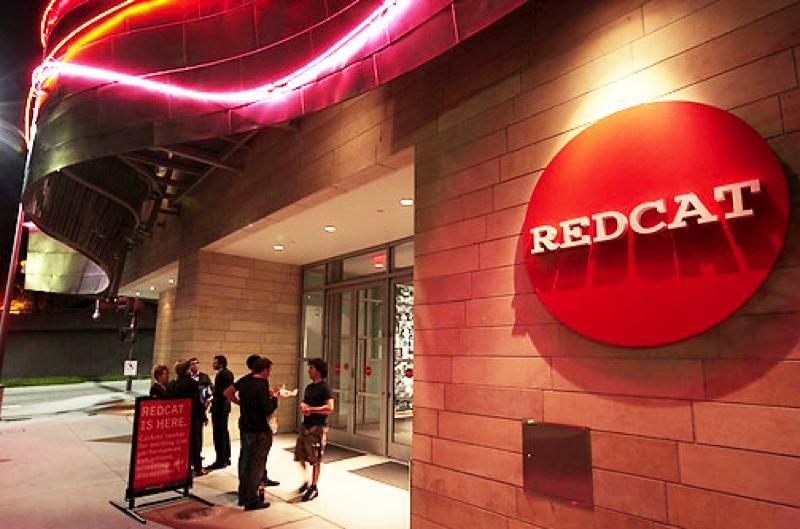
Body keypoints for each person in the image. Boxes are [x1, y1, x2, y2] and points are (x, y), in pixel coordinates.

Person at [224, 357, 278, 511]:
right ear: (265, 370)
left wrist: (240, 403)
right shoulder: (262, 384)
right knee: (257, 465)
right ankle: (251, 500)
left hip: (245, 427)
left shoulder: (246, 381)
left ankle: (243, 495)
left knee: (246, 461)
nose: (270, 373)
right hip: (259, 429)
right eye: (269, 370)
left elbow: (227, 392)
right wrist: (275, 398)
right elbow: (267, 409)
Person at [294, 358, 334, 502]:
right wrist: (303, 406)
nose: (309, 371)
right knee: (300, 455)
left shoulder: (325, 388)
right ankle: (306, 480)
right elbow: (305, 402)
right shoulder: (309, 387)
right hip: (305, 425)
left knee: (315, 458)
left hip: (317, 427)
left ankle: (314, 486)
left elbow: (330, 407)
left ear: (318, 370)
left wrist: (312, 409)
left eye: (311, 368)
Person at [168, 359, 208, 477]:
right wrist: (204, 416)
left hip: (178, 419)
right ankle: (197, 468)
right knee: (195, 443)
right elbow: (198, 403)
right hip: (192, 418)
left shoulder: (172, 384)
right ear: (187, 369)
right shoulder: (192, 384)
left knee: (179, 443)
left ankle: (178, 467)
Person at [206, 355, 234, 470]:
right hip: (225, 407)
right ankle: (226, 458)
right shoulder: (229, 373)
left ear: (220, 364)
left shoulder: (221, 375)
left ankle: (220, 460)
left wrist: (211, 398)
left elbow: (219, 392)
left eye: (215, 362)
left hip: (219, 407)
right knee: (224, 432)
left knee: (218, 434)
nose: (213, 364)